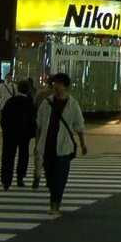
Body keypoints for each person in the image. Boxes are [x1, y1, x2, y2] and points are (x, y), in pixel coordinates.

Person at [35, 73, 86, 216]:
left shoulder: (72, 104)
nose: (55, 86)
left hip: (64, 147)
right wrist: (37, 142)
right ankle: (54, 199)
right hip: (47, 146)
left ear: (65, 86)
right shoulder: (46, 103)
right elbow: (38, 123)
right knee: (50, 177)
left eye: (58, 83)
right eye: (54, 83)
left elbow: (79, 125)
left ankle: (55, 205)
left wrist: (83, 144)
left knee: (61, 178)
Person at [0, 79, 37, 190]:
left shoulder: (10, 101)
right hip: (24, 134)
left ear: (18, 88)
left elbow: (4, 118)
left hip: (9, 133)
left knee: (8, 155)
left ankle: (6, 180)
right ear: (28, 90)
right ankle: (20, 177)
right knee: (23, 155)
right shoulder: (29, 103)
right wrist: (31, 133)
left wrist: (5, 129)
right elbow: (32, 119)